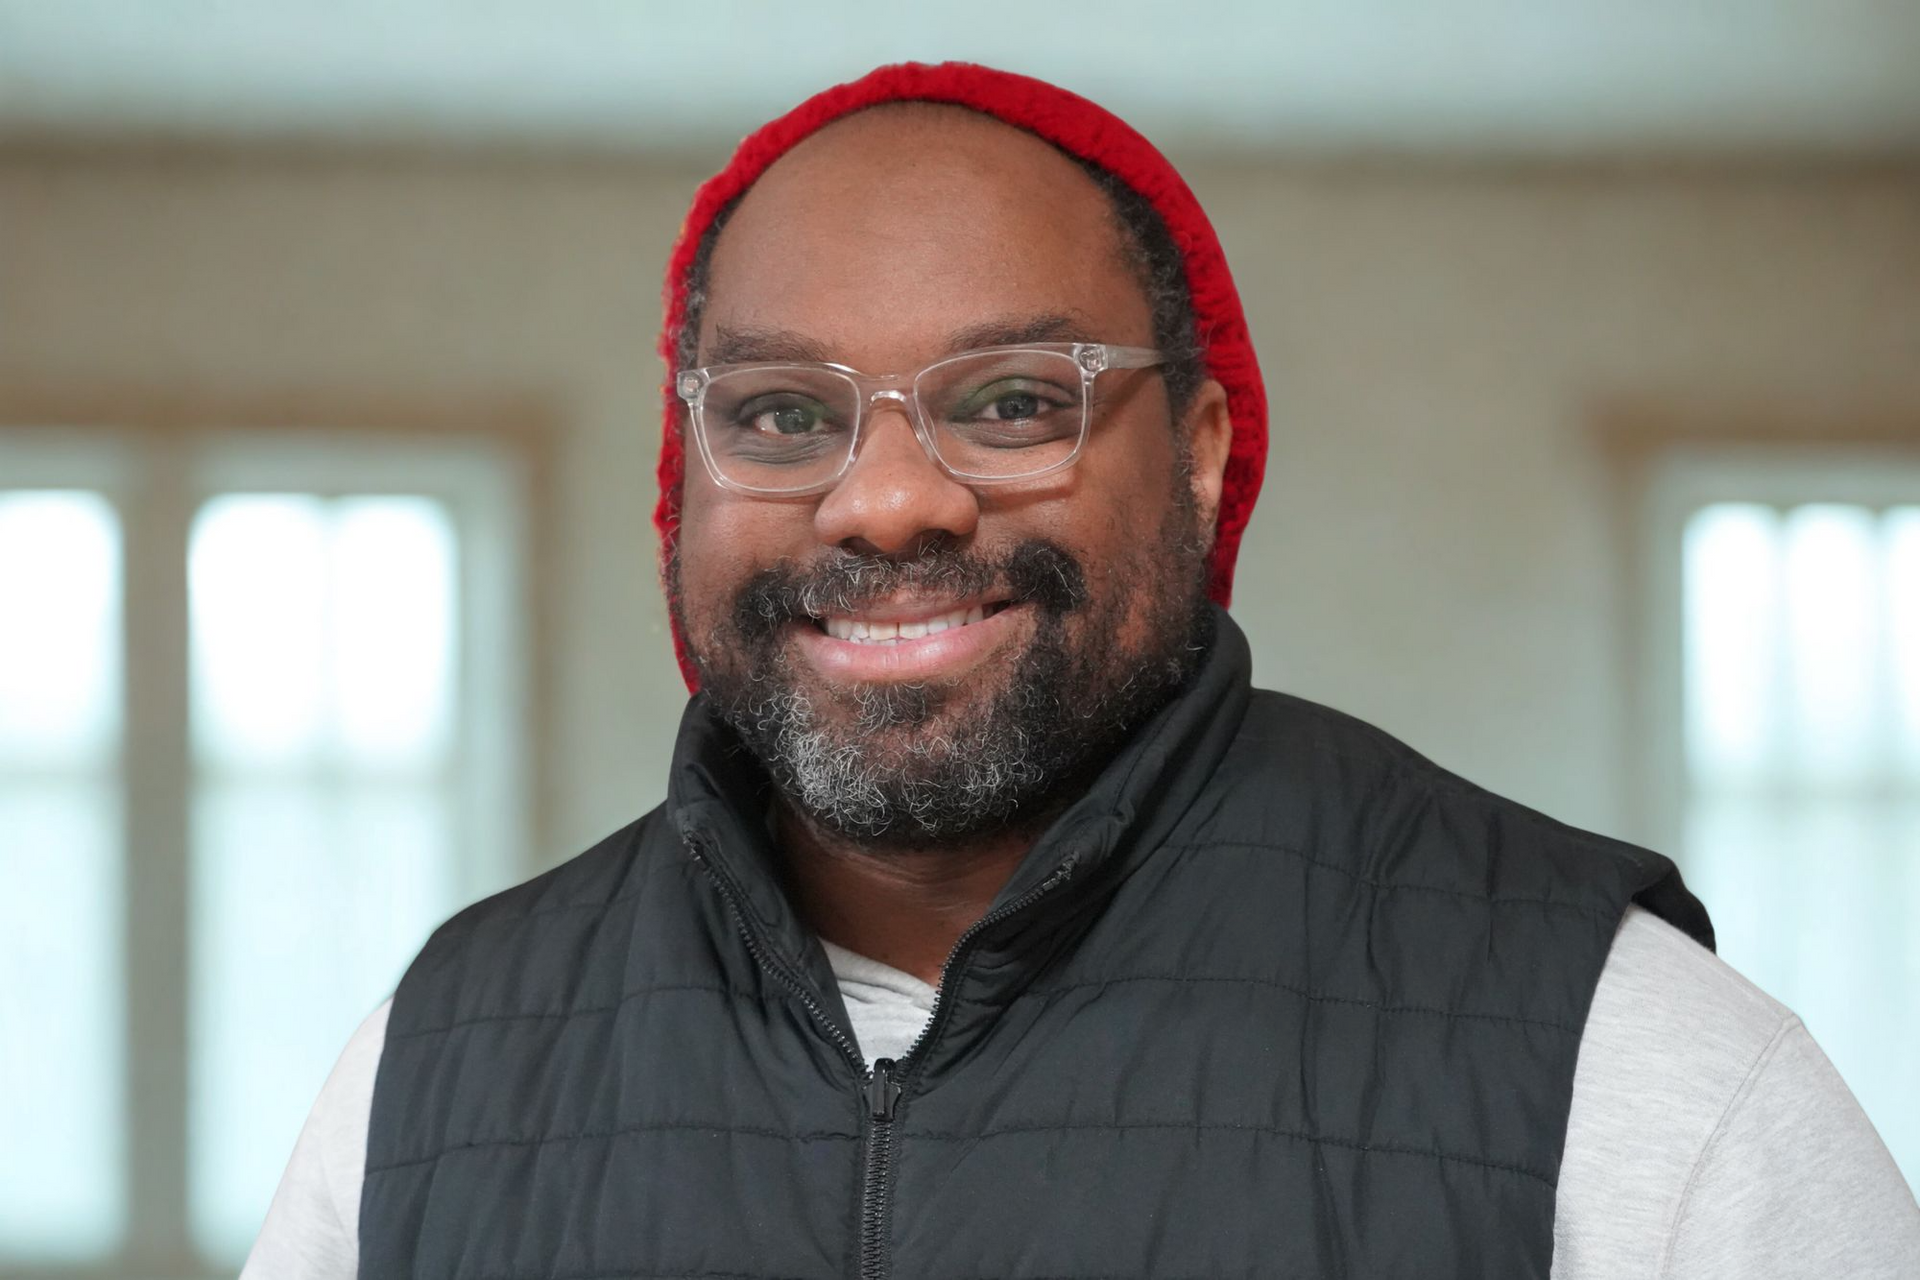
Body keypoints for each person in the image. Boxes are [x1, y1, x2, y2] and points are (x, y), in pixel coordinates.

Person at [244, 62, 1919, 1279]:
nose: (887, 497)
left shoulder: (1620, 1057)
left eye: (1012, 401)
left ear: (1200, 457)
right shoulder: (440, 1057)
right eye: (781, 414)